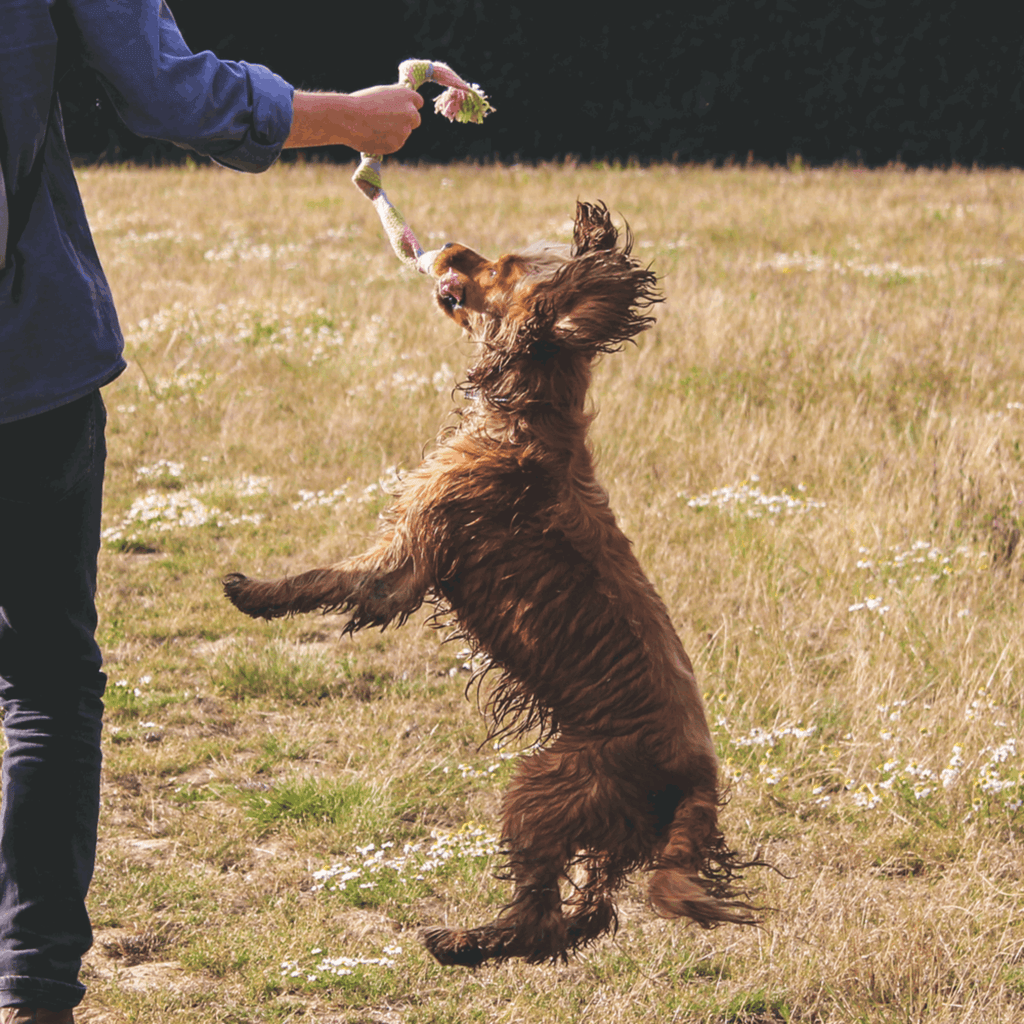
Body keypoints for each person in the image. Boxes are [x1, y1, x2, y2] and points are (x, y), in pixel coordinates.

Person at [0, 2, 423, 1020]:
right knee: (47, 682)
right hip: (26, 368)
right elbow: (161, 88)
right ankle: (30, 992)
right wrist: (353, 119)